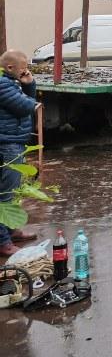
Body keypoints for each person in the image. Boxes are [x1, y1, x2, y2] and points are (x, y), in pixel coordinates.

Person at [0, 50, 38, 257]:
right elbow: (24, 106)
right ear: (10, 68)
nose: (26, 70)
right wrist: (33, 102)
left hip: (14, 141)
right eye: (22, 67)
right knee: (4, 194)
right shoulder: (3, 85)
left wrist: (29, 84)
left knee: (12, 191)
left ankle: (11, 230)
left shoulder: (12, 83)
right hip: (7, 144)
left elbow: (27, 100)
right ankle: (2, 241)